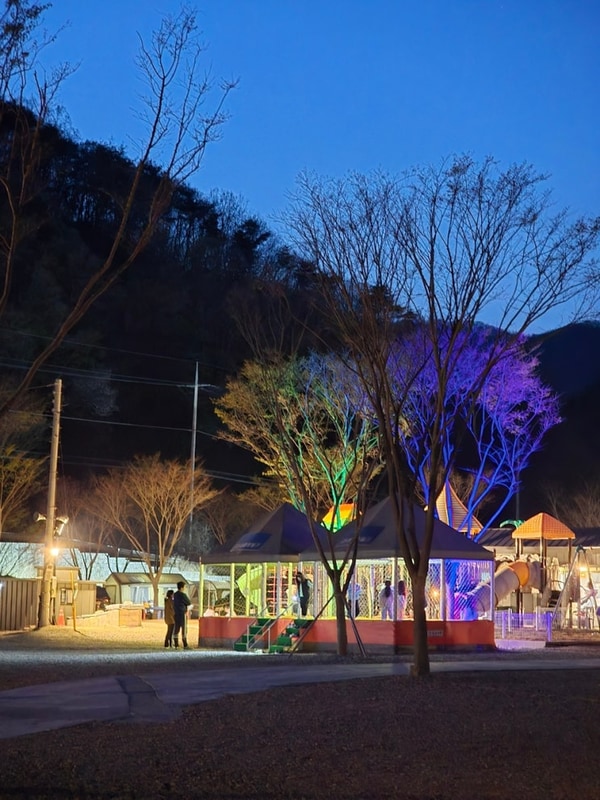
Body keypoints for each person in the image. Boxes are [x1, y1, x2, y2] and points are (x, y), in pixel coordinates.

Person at [173, 580, 192, 649]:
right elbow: (188, 602)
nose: (184, 588)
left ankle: (176, 644)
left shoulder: (175, 595)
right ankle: (185, 644)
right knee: (184, 629)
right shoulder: (183, 595)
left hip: (176, 614)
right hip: (182, 614)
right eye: (184, 587)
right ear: (181, 587)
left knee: (176, 629)